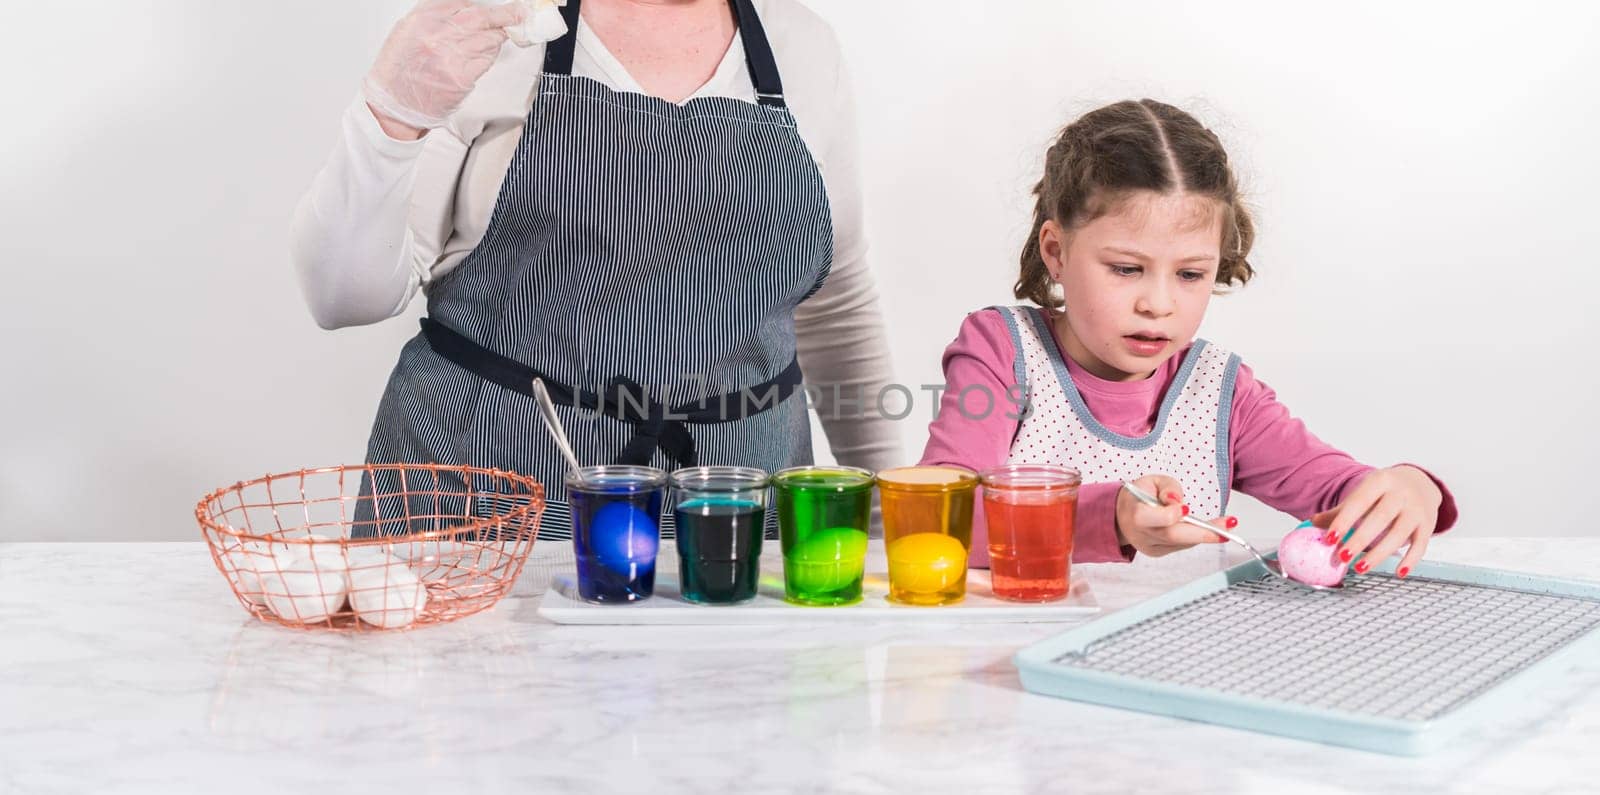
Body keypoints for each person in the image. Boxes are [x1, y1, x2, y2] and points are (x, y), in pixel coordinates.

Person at [290, 0, 902, 537]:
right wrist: (390, 119)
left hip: (738, 504)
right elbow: (344, 298)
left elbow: (837, 302)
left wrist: (887, 515)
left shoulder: (800, 44)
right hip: (486, 501)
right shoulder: (495, 26)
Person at [919, 99, 1457, 574]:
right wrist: (1113, 517)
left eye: (1190, 274)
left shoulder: (1221, 393)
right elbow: (940, 521)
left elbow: (1342, 490)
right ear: (1056, 252)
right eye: (1127, 269)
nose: (1158, 303)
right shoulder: (1002, 352)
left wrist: (1413, 486)